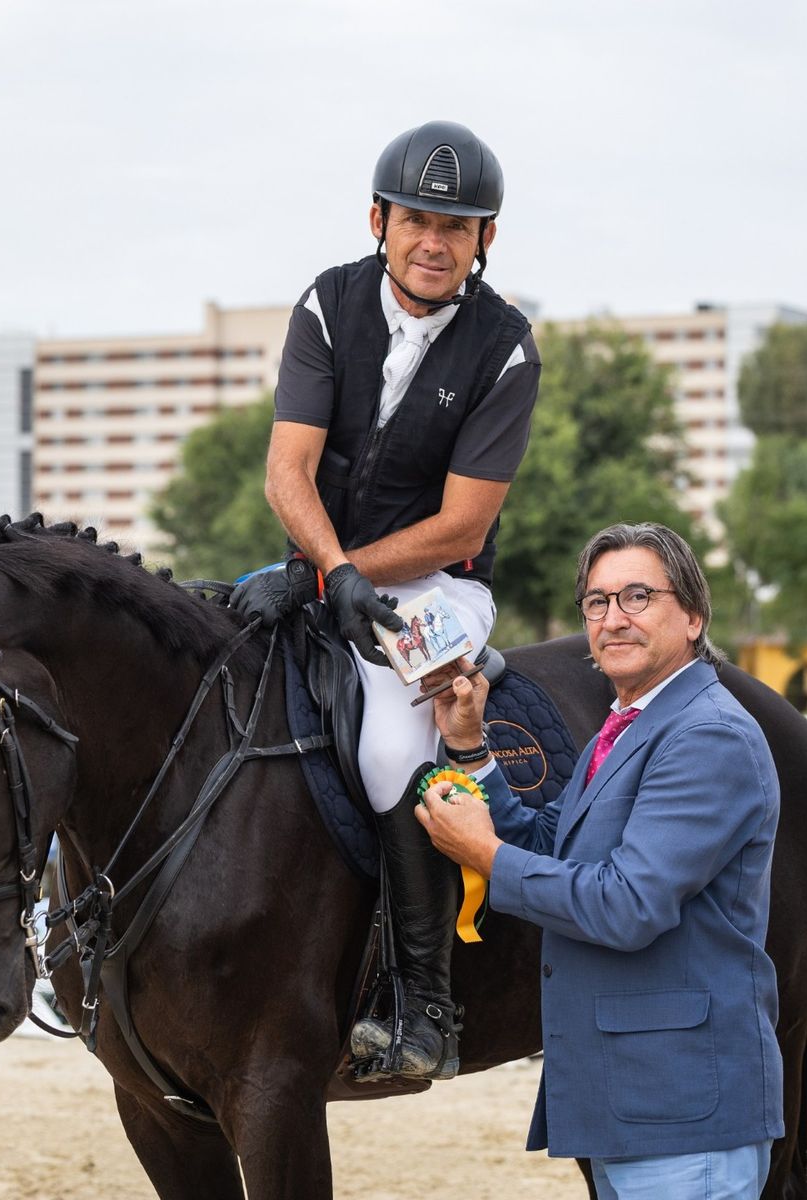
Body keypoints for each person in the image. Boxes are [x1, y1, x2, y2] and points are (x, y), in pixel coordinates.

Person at [230, 119, 541, 1080]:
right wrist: (329, 571)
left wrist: (338, 572)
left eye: (458, 225)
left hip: (438, 590)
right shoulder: (327, 305)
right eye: (416, 219)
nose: (434, 242)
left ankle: (426, 1006)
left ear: (486, 237)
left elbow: (459, 526)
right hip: (324, 568)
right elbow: (289, 471)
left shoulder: (508, 347)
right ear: (380, 219)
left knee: (391, 750)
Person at [415, 523, 782, 1198]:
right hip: (628, 1108)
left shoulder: (709, 737)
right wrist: (470, 750)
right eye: (597, 602)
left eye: (638, 597)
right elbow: (553, 844)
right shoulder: (629, 726)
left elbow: (627, 905)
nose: (613, 619)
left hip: (683, 1118)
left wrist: (486, 856)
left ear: (694, 615)